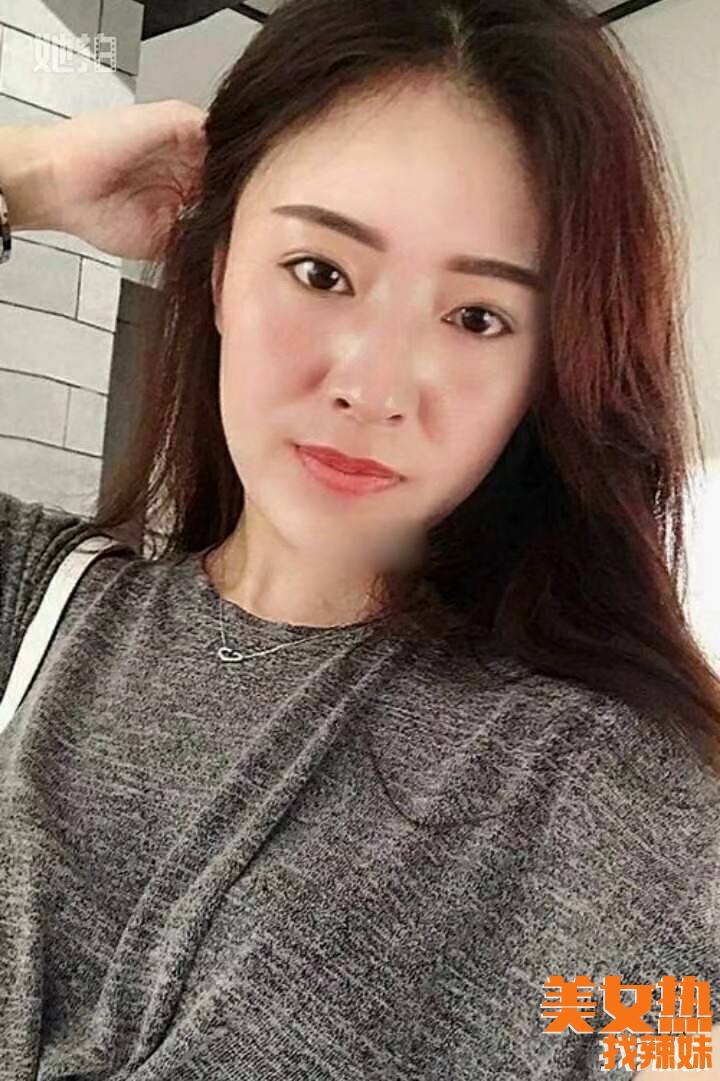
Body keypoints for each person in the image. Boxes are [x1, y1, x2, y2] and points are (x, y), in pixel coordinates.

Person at [0, 0, 719, 1077]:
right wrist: (32, 175)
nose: (375, 386)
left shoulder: (611, 799)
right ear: (217, 270)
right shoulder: (32, 607)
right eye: (322, 272)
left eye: (476, 317)